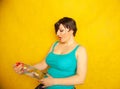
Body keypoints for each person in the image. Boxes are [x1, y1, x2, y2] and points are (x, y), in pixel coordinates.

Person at [13, 17, 87, 89]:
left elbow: (81, 79)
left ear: (71, 31)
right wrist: (25, 69)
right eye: (57, 30)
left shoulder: (80, 50)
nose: (57, 33)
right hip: (44, 86)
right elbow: (43, 64)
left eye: (61, 30)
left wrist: (54, 81)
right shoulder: (55, 44)